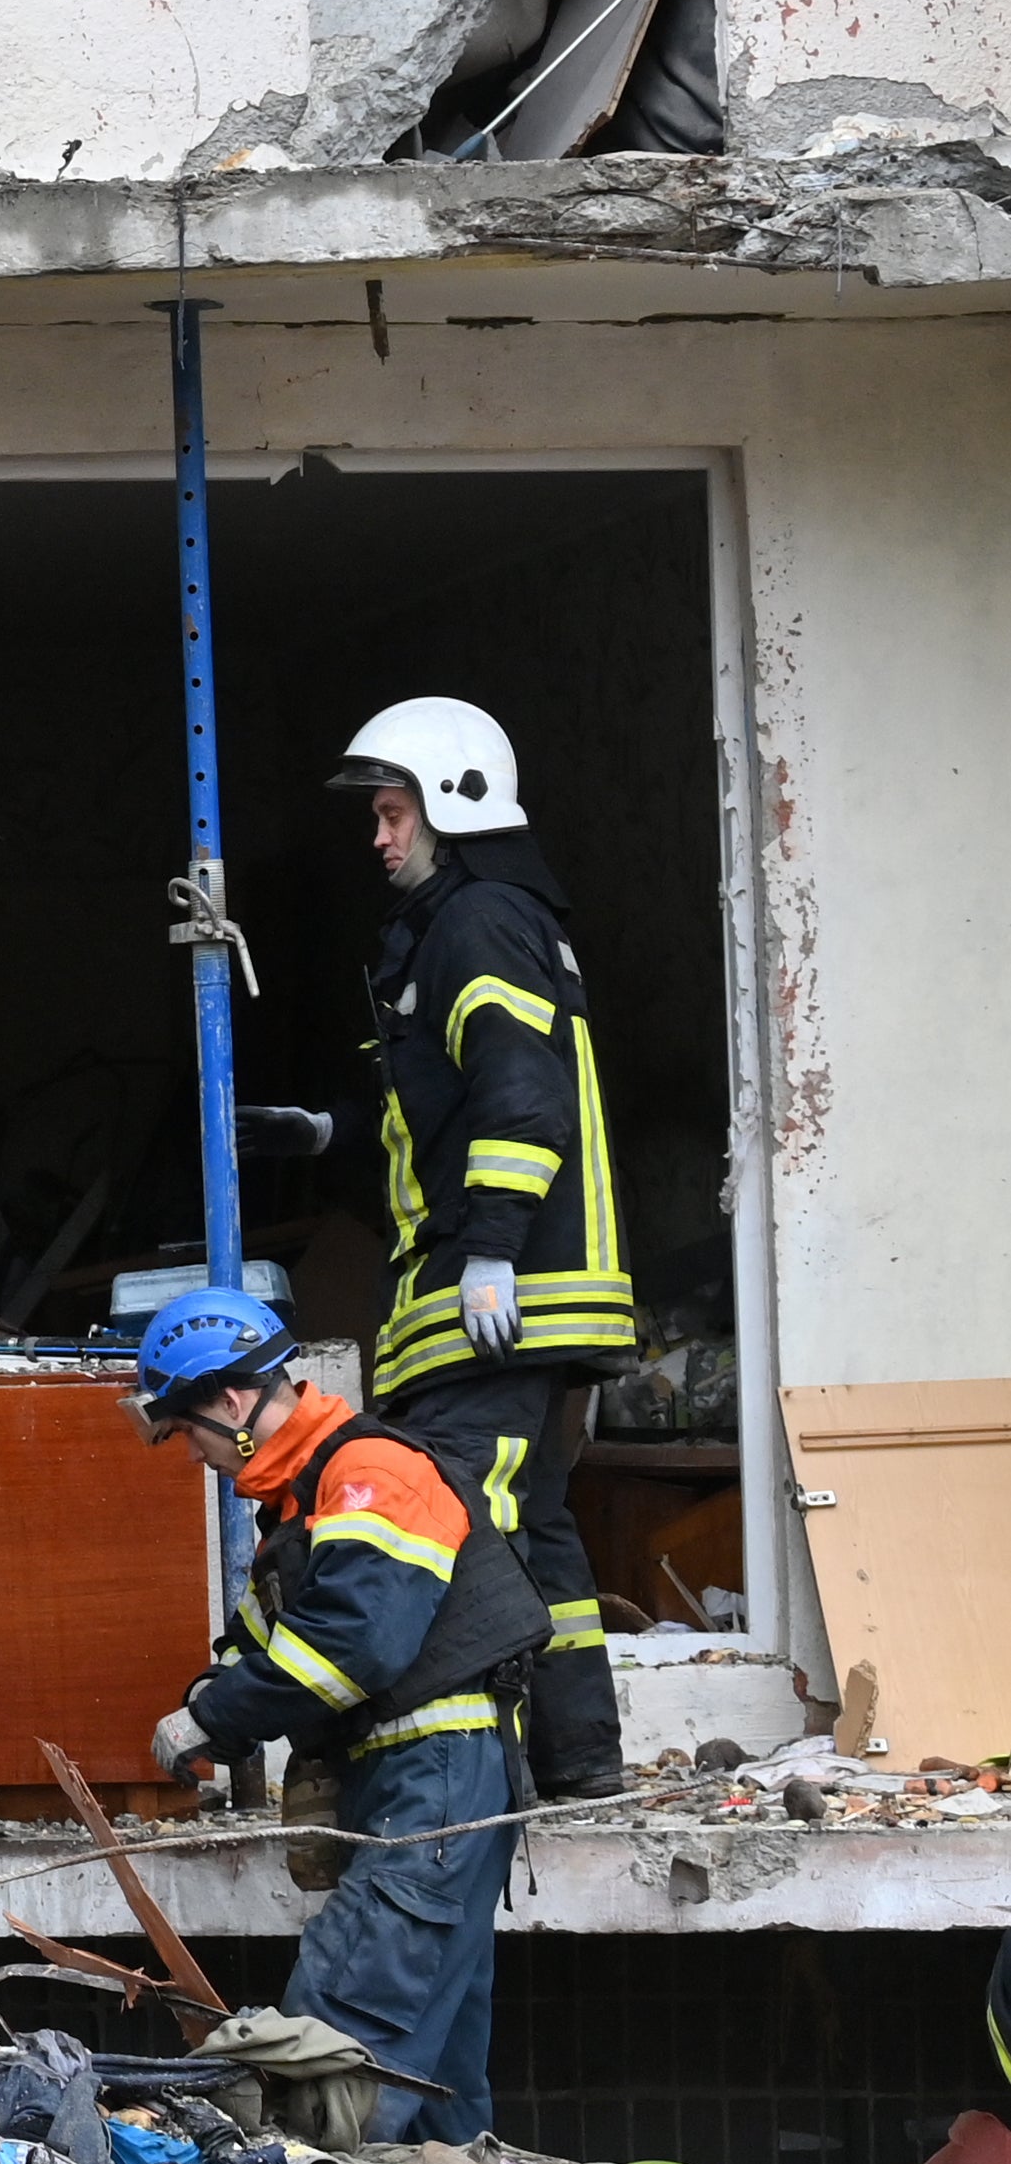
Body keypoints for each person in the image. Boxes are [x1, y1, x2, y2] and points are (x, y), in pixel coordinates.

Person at [135, 1283, 545, 2142]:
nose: (192, 1456)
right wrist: (211, 1697)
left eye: (187, 1431)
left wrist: (216, 1719)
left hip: (430, 1783)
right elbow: (264, 1640)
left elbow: (352, 1648)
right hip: (428, 1785)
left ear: (233, 1402)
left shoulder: (370, 1475)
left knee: (334, 2043)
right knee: (429, 2069)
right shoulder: (306, 1500)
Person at [334, 699, 636, 1798]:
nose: (378, 838)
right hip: (510, 1298)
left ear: (452, 800)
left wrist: (491, 1252)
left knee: (455, 1522)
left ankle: (463, 1775)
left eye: (390, 811)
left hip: (506, 1299)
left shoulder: (476, 922)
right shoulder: (480, 924)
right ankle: (578, 1762)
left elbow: (519, 1096)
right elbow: (452, 1109)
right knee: (533, 1532)